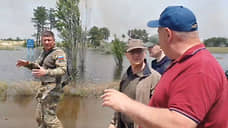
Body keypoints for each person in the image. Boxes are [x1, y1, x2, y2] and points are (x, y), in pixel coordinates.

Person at [102, 6, 228, 128]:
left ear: (168, 34)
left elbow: (181, 124)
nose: (158, 41)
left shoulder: (199, 68)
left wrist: (126, 105)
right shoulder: (184, 62)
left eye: (158, 33)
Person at [16, 30, 67, 128]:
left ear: (54, 41)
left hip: (53, 88)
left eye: (49, 40)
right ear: (42, 41)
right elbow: (37, 67)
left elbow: (62, 69)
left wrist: (46, 72)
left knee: (50, 119)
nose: (47, 42)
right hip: (44, 87)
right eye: (45, 40)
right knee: (39, 117)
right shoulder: (44, 52)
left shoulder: (59, 53)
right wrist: (27, 64)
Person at [108, 39, 161, 128]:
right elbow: (120, 103)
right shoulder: (126, 75)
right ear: (127, 55)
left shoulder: (155, 77)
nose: (136, 55)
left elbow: (158, 111)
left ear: (145, 54)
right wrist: (113, 123)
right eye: (132, 52)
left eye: (139, 52)